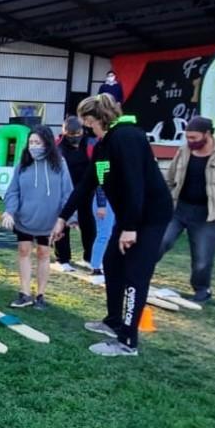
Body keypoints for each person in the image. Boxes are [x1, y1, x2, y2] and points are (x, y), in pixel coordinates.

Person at [51, 94, 173, 357]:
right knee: (112, 263)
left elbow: (134, 183)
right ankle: (114, 321)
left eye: (86, 122)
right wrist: (62, 217)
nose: (85, 128)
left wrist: (130, 227)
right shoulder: (104, 145)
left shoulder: (127, 136)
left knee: (134, 275)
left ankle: (127, 341)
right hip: (130, 216)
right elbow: (87, 184)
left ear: (95, 118)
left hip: (149, 216)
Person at [158, 116, 215, 302]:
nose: (190, 141)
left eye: (194, 138)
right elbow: (170, 179)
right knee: (160, 241)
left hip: (207, 214)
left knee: (202, 258)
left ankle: (202, 290)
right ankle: (139, 274)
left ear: (207, 134)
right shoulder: (184, 151)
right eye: (188, 137)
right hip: (179, 208)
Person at [1, 126, 73, 309]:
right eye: (31, 142)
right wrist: (9, 211)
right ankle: (24, 293)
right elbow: (13, 191)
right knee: (24, 251)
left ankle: (41, 295)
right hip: (24, 218)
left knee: (43, 253)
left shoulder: (60, 164)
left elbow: (67, 192)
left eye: (37, 142)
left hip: (49, 220)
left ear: (47, 143)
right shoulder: (23, 164)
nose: (33, 146)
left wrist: (67, 218)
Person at [54, 116, 97, 271]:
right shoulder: (57, 146)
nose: (75, 137)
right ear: (65, 132)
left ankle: (89, 257)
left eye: (77, 133)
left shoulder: (91, 144)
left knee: (88, 223)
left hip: (86, 190)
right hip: (65, 190)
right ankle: (62, 259)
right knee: (62, 222)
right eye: (71, 135)